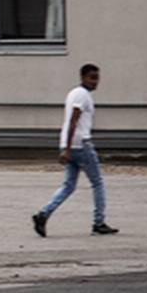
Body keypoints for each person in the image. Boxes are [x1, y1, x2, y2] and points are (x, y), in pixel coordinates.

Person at [34, 63, 117, 237]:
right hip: (81, 144)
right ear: (83, 77)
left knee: (69, 185)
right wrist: (69, 149)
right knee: (97, 183)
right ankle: (99, 222)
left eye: (97, 78)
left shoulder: (73, 93)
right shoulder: (82, 95)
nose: (96, 82)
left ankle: (44, 214)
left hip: (69, 144)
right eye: (92, 77)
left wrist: (66, 147)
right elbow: (73, 120)